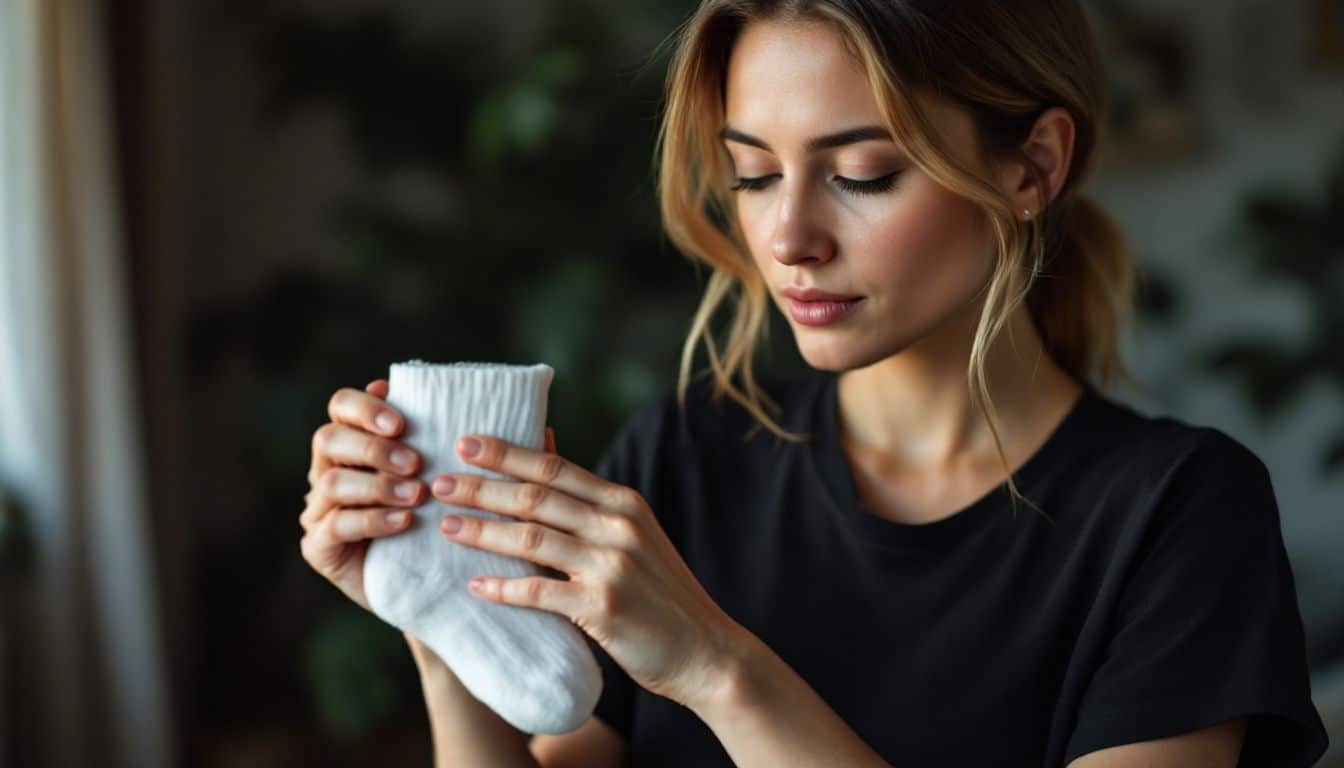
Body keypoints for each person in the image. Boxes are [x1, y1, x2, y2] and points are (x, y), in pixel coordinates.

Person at [299, 0, 1332, 766]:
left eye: (862, 173)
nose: (787, 236)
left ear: (1034, 167)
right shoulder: (685, 458)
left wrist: (715, 666)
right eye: (753, 173)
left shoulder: (1177, 515)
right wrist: (439, 609)